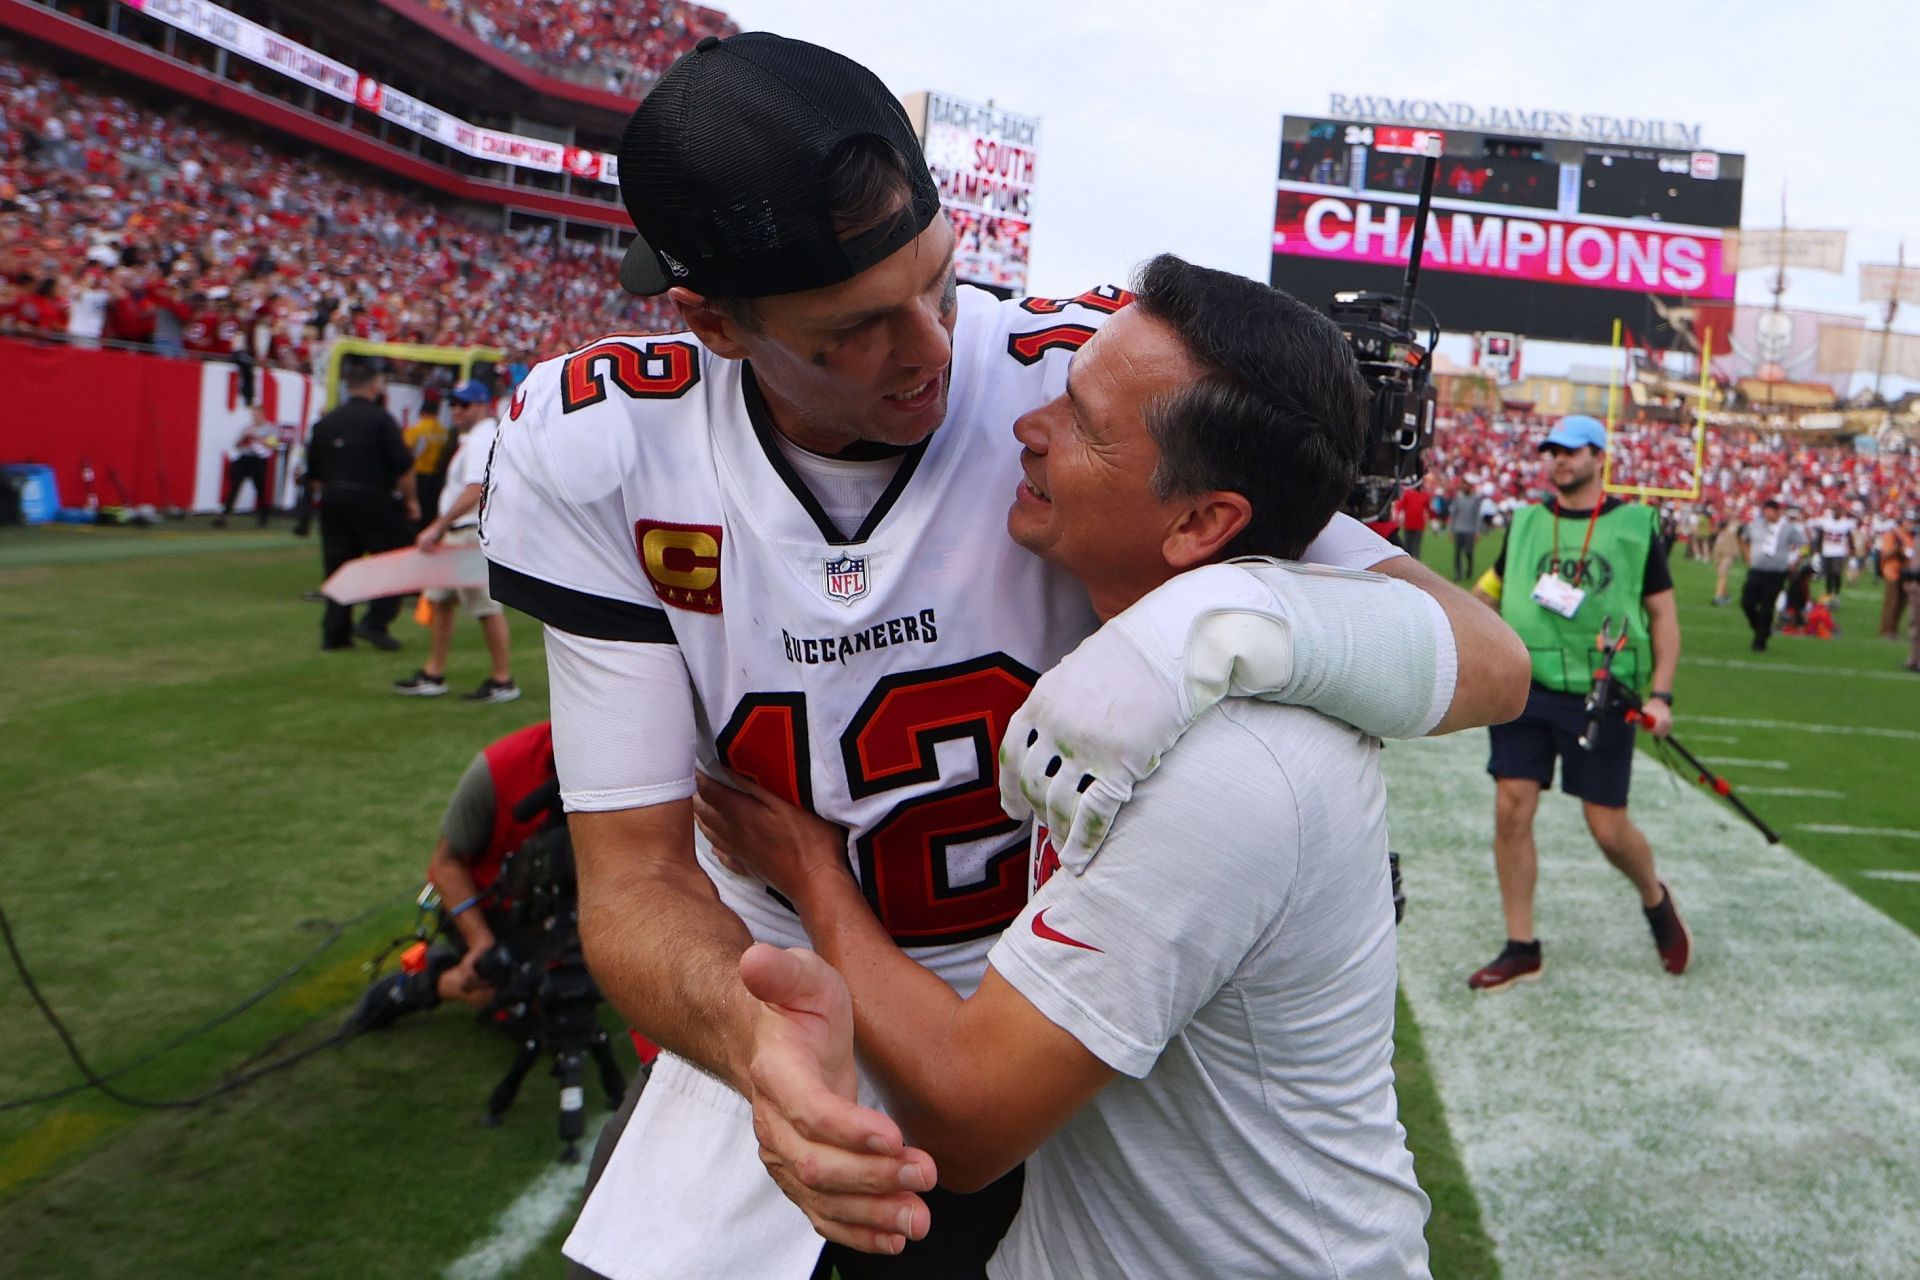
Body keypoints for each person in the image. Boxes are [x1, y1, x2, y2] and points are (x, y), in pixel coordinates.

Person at [479, 33, 1525, 1280]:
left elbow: (1487, 659)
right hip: (783, 1011)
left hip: (1055, 1048)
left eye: (941, 279)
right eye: (855, 328)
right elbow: (635, 877)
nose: (932, 347)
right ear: (711, 320)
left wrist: (1223, 623)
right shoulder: (605, 443)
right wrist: (758, 1038)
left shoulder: (1079, 375)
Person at [698, 256, 1432, 1278]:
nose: (1027, 427)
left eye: (1084, 423)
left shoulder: (1231, 768)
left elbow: (967, 1121)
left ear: (1199, 525)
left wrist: (815, 876)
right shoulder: (1151, 671)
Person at [1467, 414, 1689, 990]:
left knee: (1607, 828)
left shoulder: (1635, 525)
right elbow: (1488, 592)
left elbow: (1663, 616)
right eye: (1552, 451)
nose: (1558, 460)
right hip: (1527, 687)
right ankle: (1522, 945)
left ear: (1598, 456)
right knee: (1511, 808)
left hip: (1601, 691)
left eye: (1570, 451)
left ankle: (1654, 898)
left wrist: (1661, 694)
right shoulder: (1527, 523)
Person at [349, 721, 555, 1028]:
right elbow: (445, 864)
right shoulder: (499, 767)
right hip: (497, 908)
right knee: (530, 1010)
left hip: (573, 903)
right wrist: (480, 940)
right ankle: (430, 982)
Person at [394, 380, 519, 703]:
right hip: (459, 531)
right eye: (454, 404)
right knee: (440, 602)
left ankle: (502, 679)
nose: (456, 410)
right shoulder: (474, 438)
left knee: (484, 607)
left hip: (466, 530)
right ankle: (434, 671)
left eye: (463, 404)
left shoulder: (481, 438)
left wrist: (437, 527)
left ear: (481, 405)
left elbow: (474, 489)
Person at [306, 359, 417, 652]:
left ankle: (335, 633)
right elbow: (403, 467)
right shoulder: (381, 420)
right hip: (372, 497)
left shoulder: (325, 423)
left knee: (338, 566)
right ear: (374, 385)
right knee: (393, 558)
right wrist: (411, 501)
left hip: (332, 498)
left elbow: (313, 476)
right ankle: (376, 620)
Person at [1740, 498, 1806, 653]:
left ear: (1777, 512)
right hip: (1756, 571)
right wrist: (1747, 556)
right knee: (1746, 602)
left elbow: (1803, 544)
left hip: (1776, 573)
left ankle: (1760, 641)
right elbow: (1743, 538)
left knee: (1767, 606)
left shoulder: (1787, 528)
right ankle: (1761, 629)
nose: (1767, 514)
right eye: (1765, 510)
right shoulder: (1755, 526)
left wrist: (1795, 561)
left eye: (1770, 510)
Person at [211, 409, 278, 528]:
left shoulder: (270, 429)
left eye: (257, 415)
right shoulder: (247, 428)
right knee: (235, 487)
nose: (255, 418)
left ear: (263, 415)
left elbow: (272, 445)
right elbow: (236, 445)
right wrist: (244, 437)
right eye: (253, 415)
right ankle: (224, 516)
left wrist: (256, 437)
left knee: (260, 489)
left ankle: (264, 516)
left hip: (258, 460)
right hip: (245, 458)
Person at [404, 389, 452, 532]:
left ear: (421, 411)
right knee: (431, 514)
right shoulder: (444, 432)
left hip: (418, 477)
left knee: (415, 516)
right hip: (437, 478)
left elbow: (407, 452)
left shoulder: (414, 430)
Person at [1879, 510, 1915, 640]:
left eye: (1913, 522)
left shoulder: (1911, 537)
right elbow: (1885, 554)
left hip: (1906, 573)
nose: (1911, 524)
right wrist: (1898, 550)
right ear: (1903, 522)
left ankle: (1894, 629)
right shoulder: (1892, 535)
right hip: (1892, 572)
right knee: (1892, 602)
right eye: (1909, 521)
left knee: (1901, 603)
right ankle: (1886, 631)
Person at [1812, 504, 1856, 599]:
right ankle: (1828, 593)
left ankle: (1836, 593)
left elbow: (1850, 538)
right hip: (1827, 551)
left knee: (1836, 572)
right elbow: (1820, 536)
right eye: (1835, 510)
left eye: (1838, 511)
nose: (1836, 513)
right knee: (1828, 574)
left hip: (1839, 552)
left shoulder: (1845, 523)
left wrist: (1852, 551)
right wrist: (1817, 550)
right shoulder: (1826, 522)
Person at [1450, 479, 1484, 581]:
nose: (1464, 487)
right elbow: (1454, 515)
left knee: (1468, 552)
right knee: (1457, 553)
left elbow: (1477, 516)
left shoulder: (1475, 500)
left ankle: (1469, 570)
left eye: (1466, 485)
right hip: (1459, 528)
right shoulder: (1458, 498)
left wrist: (1477, 531)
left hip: (1470, 530)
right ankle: (1458, 573)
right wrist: (1451, 530)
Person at [1393, 480, 1432, 560]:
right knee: (1408, 547)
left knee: (1416, 548)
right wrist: (1396, 515)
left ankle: (1416, 564)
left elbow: (1428, 509)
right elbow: (1400, 506)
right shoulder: (1408, 494)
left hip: (1418, 525)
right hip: (1409, 524)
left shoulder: (1425, 495)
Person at [1710, 514, 1742, 606]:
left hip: (1728, 555)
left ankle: (1718, 596)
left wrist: (1732, 517)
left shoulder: (1731, 530)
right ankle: (1725, 594)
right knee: (1721, 575)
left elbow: (1736, 524)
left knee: (1722, 574)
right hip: (1719, 556)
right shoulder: (1721, 534)